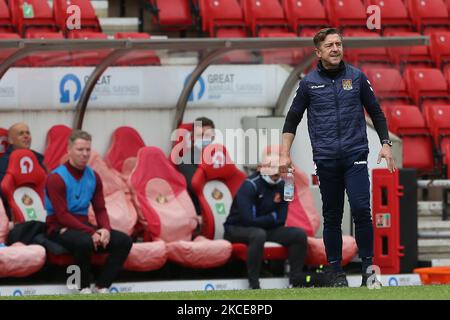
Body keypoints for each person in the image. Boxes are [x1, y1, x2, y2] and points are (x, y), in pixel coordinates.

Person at [279, 28, 396, 287]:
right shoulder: (308, 84)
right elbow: (292, 119)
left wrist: (386, 144)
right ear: (318, 52)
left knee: (362, 210)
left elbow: (376, 112)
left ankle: (369, 271)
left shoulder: (357, 77)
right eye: (330, 45)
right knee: (332, 216)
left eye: (339, 44)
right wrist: (284, 153)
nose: (335, 49)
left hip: (355, 155)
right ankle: (336, 273)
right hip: (326, 159)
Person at [45, 130, 132, 294]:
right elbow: (62, 215)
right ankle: (83, 287)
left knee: (124, 241)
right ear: (69, 150)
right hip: (58, 226)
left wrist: (105, 229)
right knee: (84, 241)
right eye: (80, 150)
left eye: (88, 150)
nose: (85, 154)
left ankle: (102, 286)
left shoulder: (94, 176)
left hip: (83, 225)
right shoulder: (56, 178)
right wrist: (92, 232)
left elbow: (100, 208)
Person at [224, 153, 307, 290]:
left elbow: (281, 219)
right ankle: (254, 284)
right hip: (236, 228)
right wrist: (272, 217)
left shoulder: (283, 185)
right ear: (261, 169)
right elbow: (248, 219)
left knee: (298, 235)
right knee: (258, 234)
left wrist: (271, 218)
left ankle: (295, 281)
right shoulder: (249, 185)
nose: (276, 174)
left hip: (265, 228)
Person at [0, 123, 47, 220]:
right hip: (15, 213)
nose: (26, 136)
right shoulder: (3, 162)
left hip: (40, 208)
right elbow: (3, 192)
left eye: (28, 133)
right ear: (10, 140)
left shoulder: (39, 158)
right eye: (21, 134)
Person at [177, 116, 216, 216]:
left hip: (222, 200)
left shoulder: (220, 156)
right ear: (193, 137)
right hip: (203, 209)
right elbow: (196, 186)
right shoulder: (186, 160)